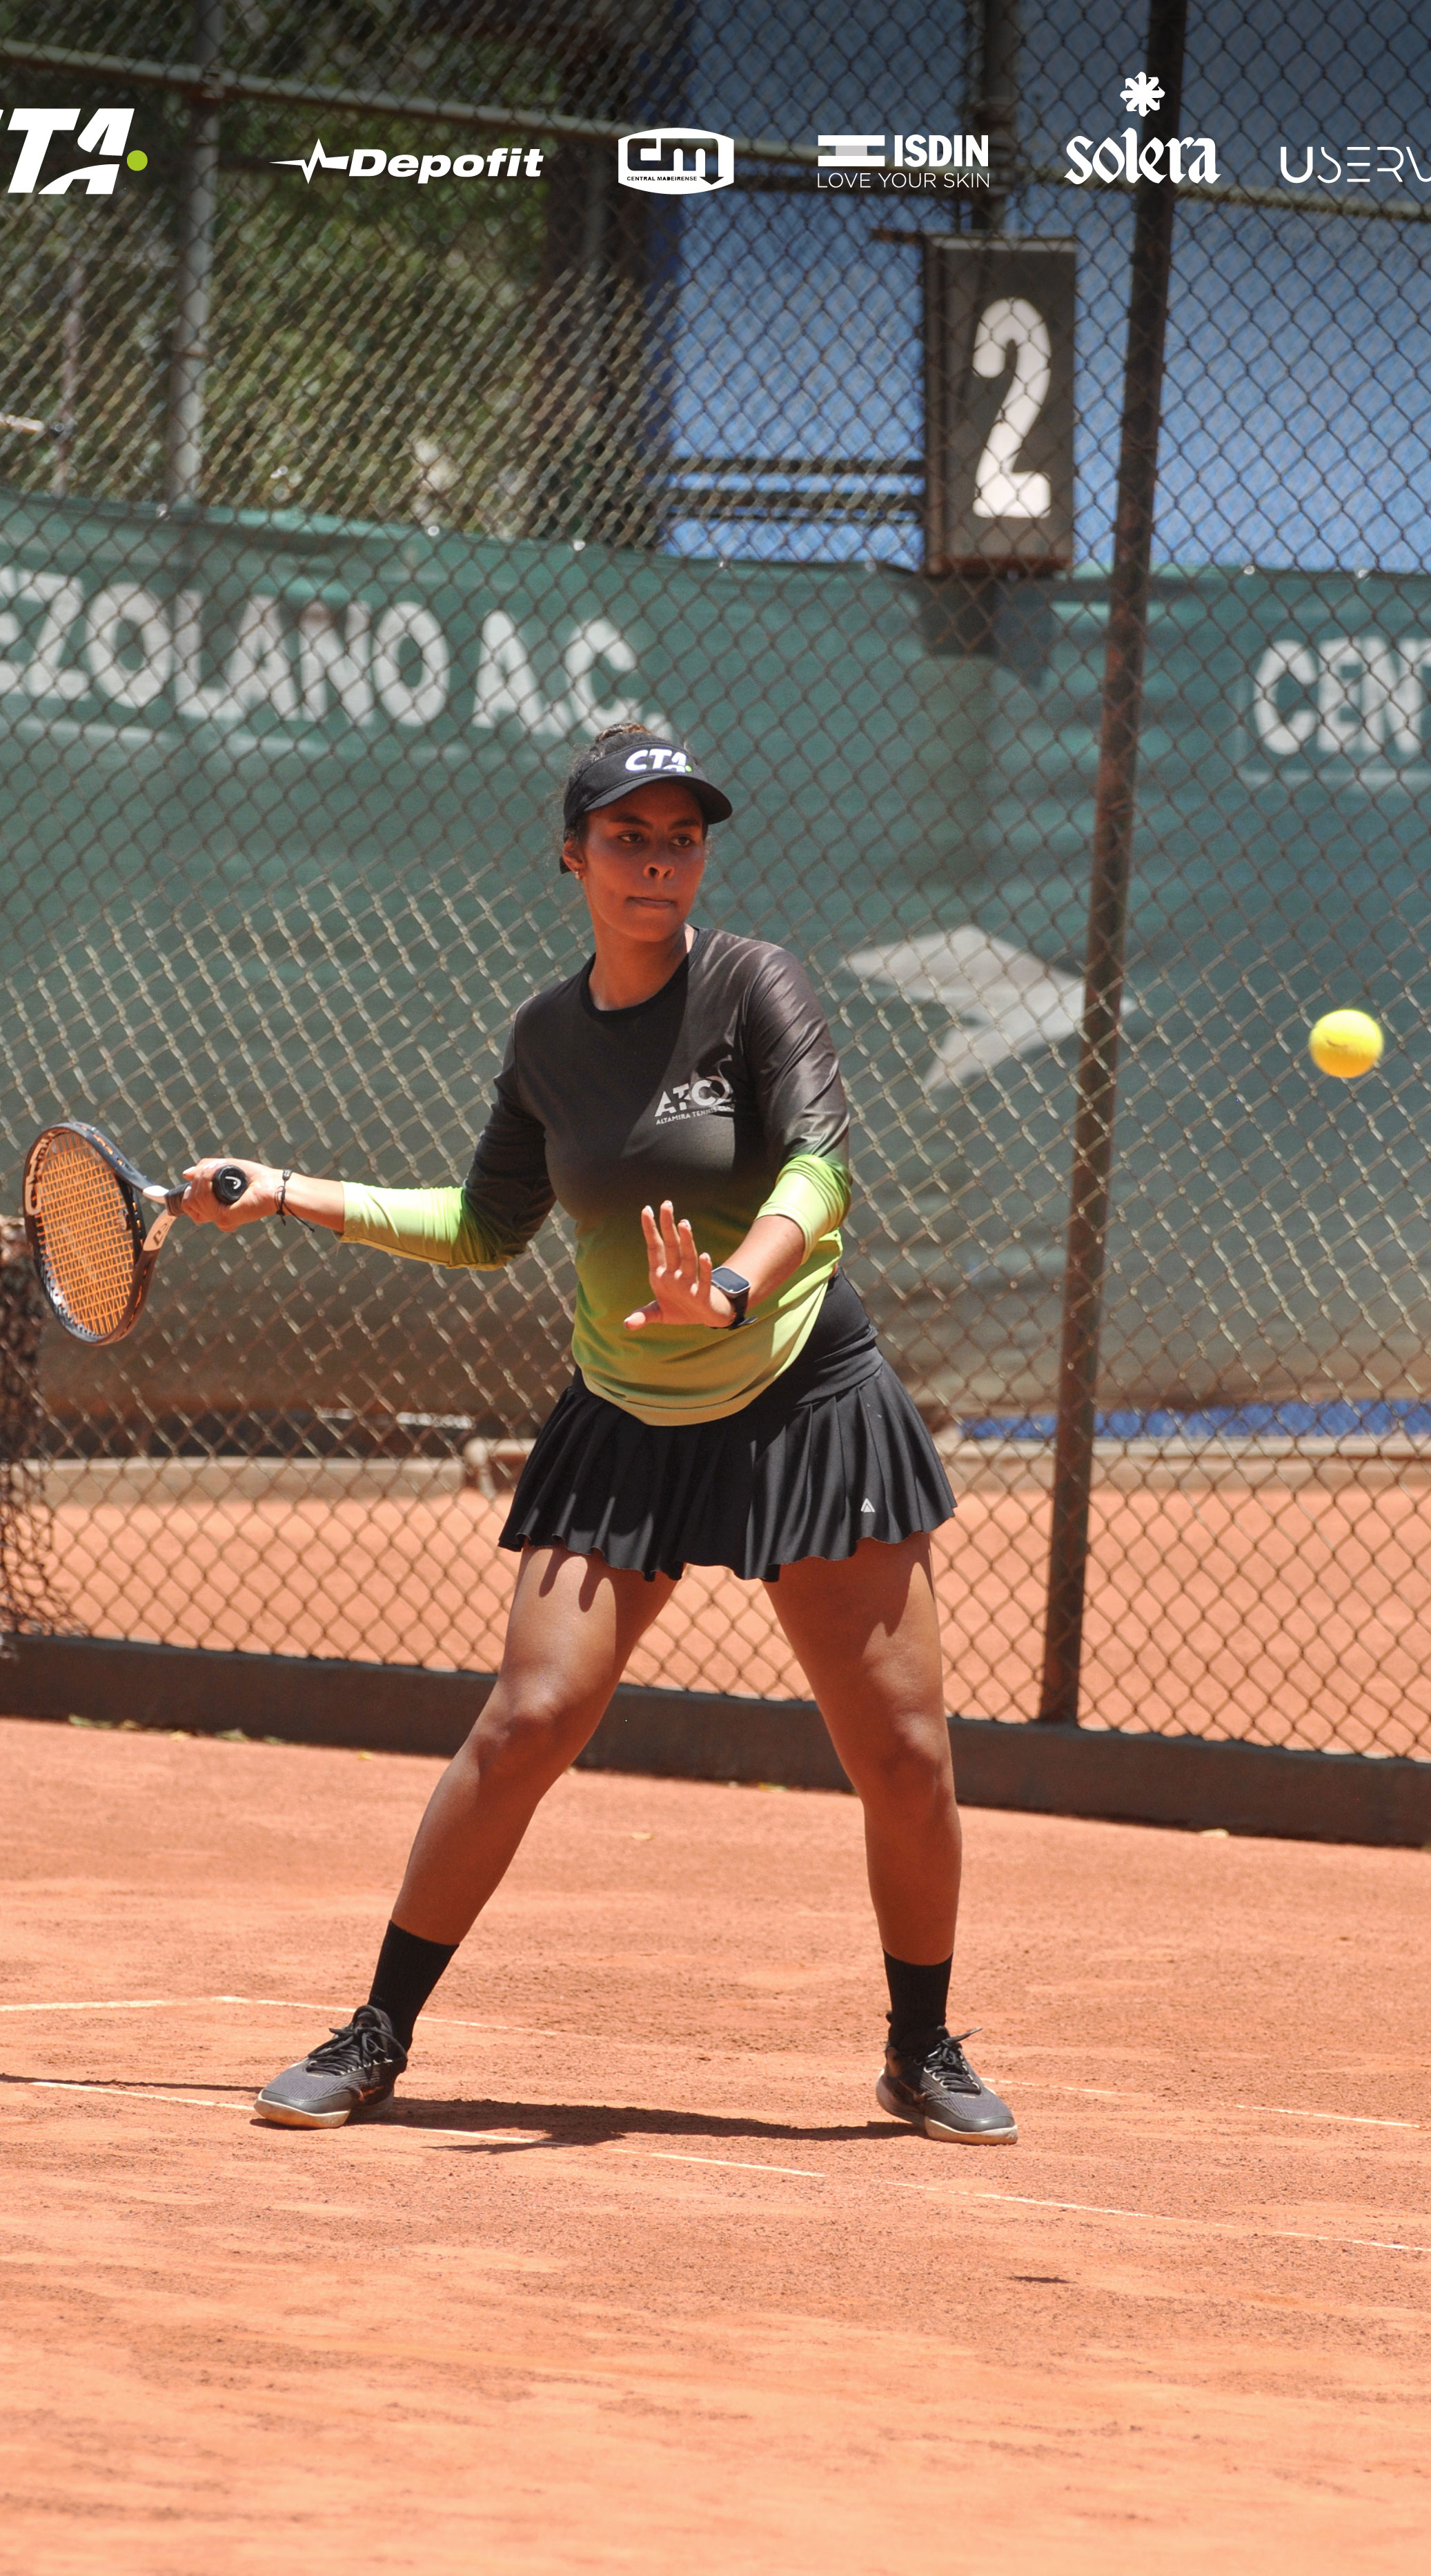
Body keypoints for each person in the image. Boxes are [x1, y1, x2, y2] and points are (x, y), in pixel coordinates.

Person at [183, 722, 1016, 2145]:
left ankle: (921, 2044)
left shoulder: (758, 987)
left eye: (681, 835)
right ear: (573, 854)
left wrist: (738, 1284)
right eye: (627, 835)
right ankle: (379, 2027)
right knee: (530, 1720)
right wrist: (290, 1191)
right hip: (627, 1412)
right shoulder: (545, 1042)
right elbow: (485, 1226)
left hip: (803, 1398)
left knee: (905, 1755)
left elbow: (823, 1167)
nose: (657, 859)